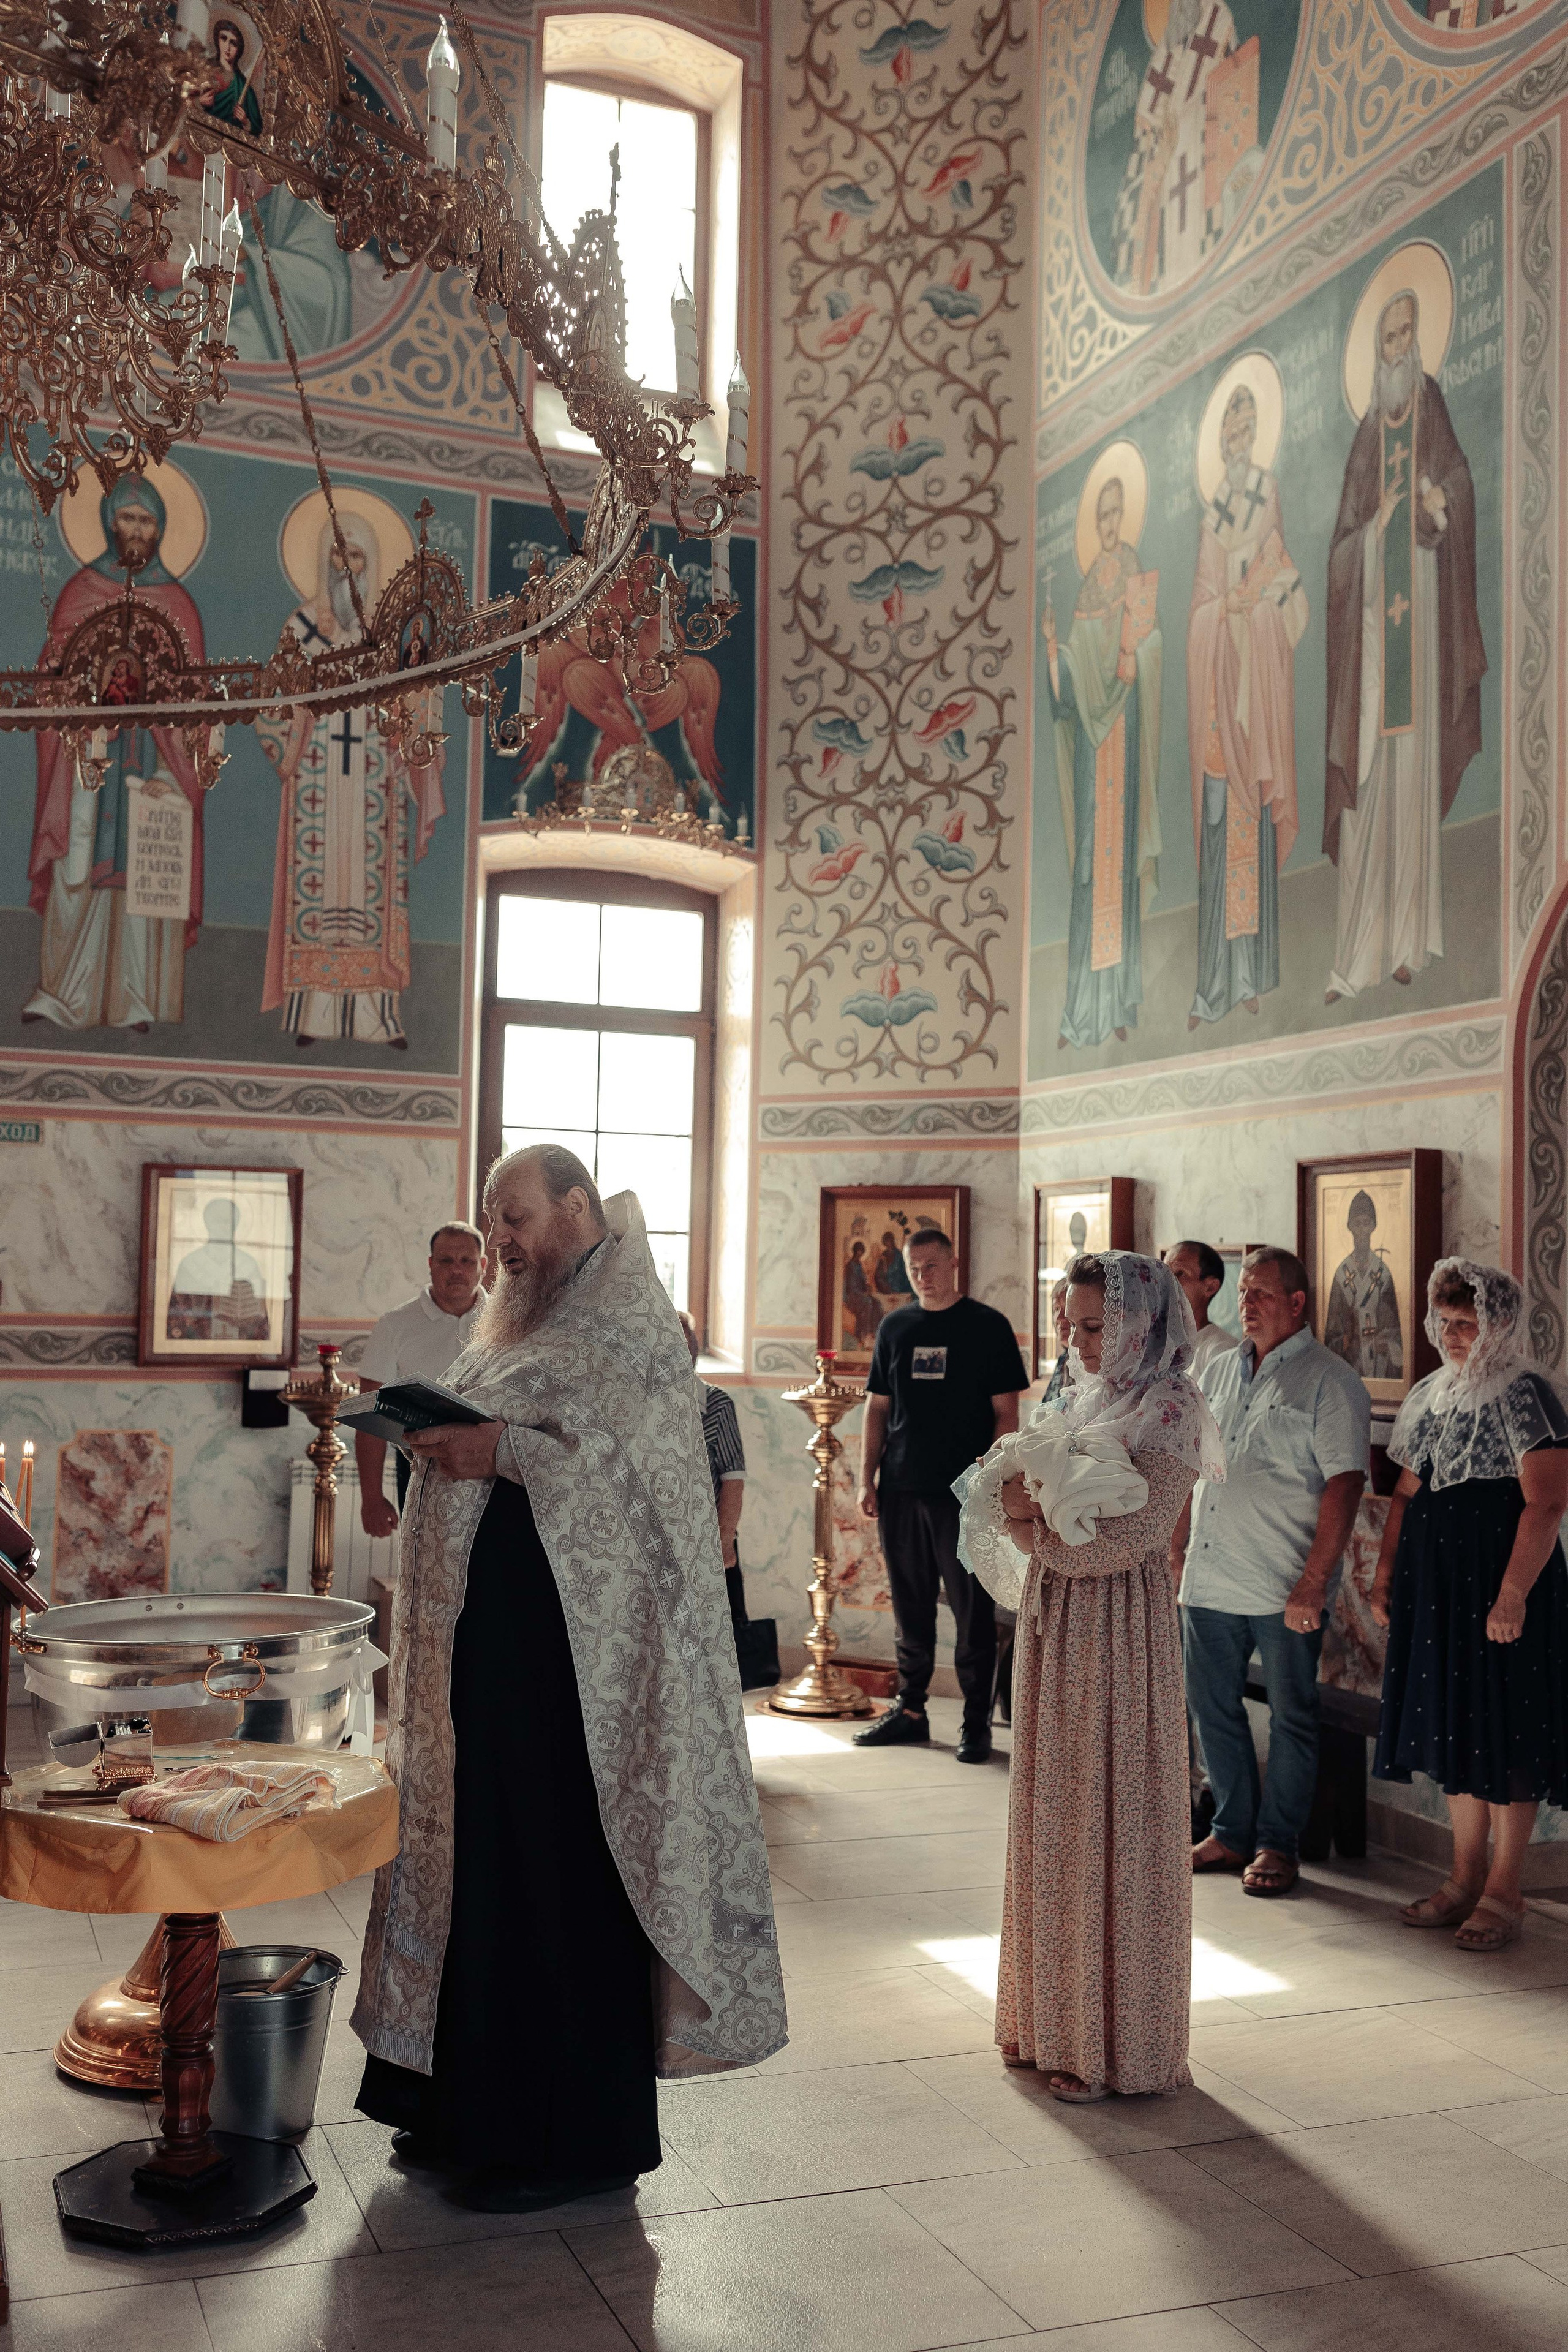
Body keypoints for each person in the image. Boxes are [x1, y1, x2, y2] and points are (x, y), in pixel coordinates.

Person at [353, 1145, 785, 2210]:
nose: (498, 1239)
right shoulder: (524, 1314)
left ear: (577, 1207)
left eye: (514, 1218)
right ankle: (455, 2110)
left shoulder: (631, 1326)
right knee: (480, 1861)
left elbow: (638, 1487)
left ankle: (552, 2140)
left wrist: (505, 1450)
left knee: (546, 1869)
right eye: (491, 1220)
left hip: (572, 1671)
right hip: (488, 1647)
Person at [974, 1251, 1224, 2101]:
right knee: (1056, 1812)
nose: (1076, 1343)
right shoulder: (1085, 1398)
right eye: (1071, 1325)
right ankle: (1046, 2023)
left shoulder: (1172, 1408)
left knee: (1112, 1817)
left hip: (1120, 1634)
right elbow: (1020, 1498)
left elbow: (1125, 1540)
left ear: (1142, 1323)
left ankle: (1115, 2042)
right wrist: (1024, 1513)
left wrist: (1026, 1514)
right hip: (1059, 1623)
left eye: (1092, 1326)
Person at [1371, 1259, 1568, 1952]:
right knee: (1454, 1724)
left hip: (1501, 1585)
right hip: (1438, 1589)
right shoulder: (1431, 1393)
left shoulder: (1527, 1395)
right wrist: (1386, 1572)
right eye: (1445, 1322)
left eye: (1467, 1323)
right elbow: (1404, 1494)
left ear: (1499, 1324)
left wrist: (1512, 1595)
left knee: (1509, 1729)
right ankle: (1461, 1877)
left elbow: (1545, 1502)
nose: (1452, 1335)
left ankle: (1505, 1890)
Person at [1177, 1245, 1370, 1896]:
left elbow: (1343, 1486)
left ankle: (1277, 1844)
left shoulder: (1328, 1379)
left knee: (1292, 1713)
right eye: (1243, 1293)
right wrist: (1175, 1547)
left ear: (1296, 1303)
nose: (1247, 1303)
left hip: (1282, 1582)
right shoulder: (1221, 1369)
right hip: (1209, 1575)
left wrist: (1314, 1581)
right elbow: (1192, 1464)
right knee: (1210, 1706)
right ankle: (1231, 1832)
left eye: (1261, 1293)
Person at [1324, 284, 1485, 1001]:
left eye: (1405, 334)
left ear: (1418, 336)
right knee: (1367, 782)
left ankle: (1408, 942)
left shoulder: (1430, 402)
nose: (1397, 347)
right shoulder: (1366, 435)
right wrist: (1378, 527)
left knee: (1412, 771)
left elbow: (1457, 479)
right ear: (1374, 348)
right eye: (1387, 338)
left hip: (1416, 620)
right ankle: (1354, 958)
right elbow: (1338, 548)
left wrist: (1435, 503)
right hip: (1371, 639)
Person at [23, 476, 207, 1031]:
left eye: (146, 521)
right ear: (109, 523)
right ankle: (59, 993)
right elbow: (49, 679)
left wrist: (170, 774)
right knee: (76, 869)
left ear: (160, 530)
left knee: (143, 879)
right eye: (128, 518)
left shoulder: (178, 606)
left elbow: (194, 707)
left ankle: (137, 1000)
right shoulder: (82, 592)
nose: (136, 531)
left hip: (151, 768)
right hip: (85, 761)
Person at [854, 1229, 1028, 1763]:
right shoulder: (896, 1326)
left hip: (965, 1497)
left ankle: (976, 1725)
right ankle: (911, 1710)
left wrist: (990, 1482)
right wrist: (866, 1478)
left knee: (972, 1612)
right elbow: (878, 1409)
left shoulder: (987, 1327)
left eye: (932, 1264)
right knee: (910, 1608)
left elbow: (1006, 1415)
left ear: (954, 1264)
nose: (922, 1275)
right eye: (914, 1268)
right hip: (902, 1488)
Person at [1185, 378, 1306, 1029]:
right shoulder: (1212, 518)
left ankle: (1250, 978)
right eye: (1229, 427)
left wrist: (1254, 607)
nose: (1238, 436)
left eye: (1247, 425)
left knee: (1249, 840)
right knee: (1215, 839)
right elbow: (1197, 611)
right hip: (1216, 711)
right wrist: (1220, 613)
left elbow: (1282, 582)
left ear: (1257, 432)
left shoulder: (1268, 497)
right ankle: (1210, 987)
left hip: (1251, 700)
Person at [1044, 473, 1162, 1050]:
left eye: (1118, 514)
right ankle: (1079, 1010)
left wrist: (1138, 654)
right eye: (1105, 517)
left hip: (1124, 734)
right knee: (1089, 871)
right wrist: (1052, 651)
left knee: (1118, 871)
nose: (1112, 524)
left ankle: (1117, 1005)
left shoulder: (1135, 570)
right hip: (1095, 749)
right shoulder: (1089, 587)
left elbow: (1148, 641)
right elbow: (1071, 680)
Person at [355, 1223, 488, 1534]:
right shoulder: (395, 1325)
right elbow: (370, 1416)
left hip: (495, 1466)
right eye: (446, 1261)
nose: (457, 1270)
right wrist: (371, 1498)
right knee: (424, 1571)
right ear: (431, 1265)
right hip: (421, 1467)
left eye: (466, 1261)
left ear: (483, 1266)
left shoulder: (508, 1319)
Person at [675, 1309, 746, 1611]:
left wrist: (725, 1538)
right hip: (663, 1541)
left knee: (722, 1627)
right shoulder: (640, 1405)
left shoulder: (716, 1404)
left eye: (688, 1340)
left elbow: (733, 1478)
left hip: (708, 1539)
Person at [1323, 1189, 1403, 1380]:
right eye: (1357, 1224)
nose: (1361, 1229)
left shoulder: (1382, 1273)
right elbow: (1331, 1333)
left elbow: (1394, 1329)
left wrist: (1386, 1342)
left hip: (1380, 1362)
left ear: (1373, 1227)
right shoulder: (1341, 1273)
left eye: (1366, 1223)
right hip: (1349, 1361)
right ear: (1350, 1227)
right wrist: (1345, 1341)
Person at [166, 1199, 271, 1342]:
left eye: (228, 1221)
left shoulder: (249, 1264)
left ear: (236, 1224)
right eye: (218, 1220)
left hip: (240, 1348)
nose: (223, 1226)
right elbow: (177, 1314)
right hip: (197, 1349)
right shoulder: (190, 1263)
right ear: (207, 1223)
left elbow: (259, 1320)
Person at [1166, 1240, 1240, 1375]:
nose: (1167, 1282)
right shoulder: (1154, 1344)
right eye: (1165, 1273)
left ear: (1210, 1287)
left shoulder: (1222, 1351)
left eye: (1180, 1274)